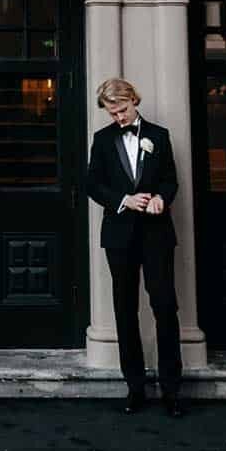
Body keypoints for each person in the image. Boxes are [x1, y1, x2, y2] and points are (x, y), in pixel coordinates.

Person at [84, 76, 185, 418]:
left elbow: (171, 179)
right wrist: (124, 199)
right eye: (113, 114)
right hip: (119, 236)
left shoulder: (159, 136)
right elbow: (92, 184)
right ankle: (135, 386)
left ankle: (171, 389)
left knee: (165, 306)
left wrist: (160, 198)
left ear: (133, 100)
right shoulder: (102, 140)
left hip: (156, 234)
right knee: (125, 310)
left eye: (122, 110)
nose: (119, 118)